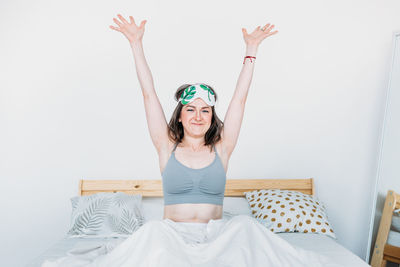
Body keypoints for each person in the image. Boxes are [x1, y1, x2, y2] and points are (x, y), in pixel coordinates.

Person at [109, 14, 278, 225]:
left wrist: (251, 49)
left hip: (215, 238)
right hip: (172, 238)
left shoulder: (223, 146)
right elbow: (148, 94)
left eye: (205, 110)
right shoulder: (166, 145)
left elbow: (239, 100)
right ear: (180, 116)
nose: (198, 116)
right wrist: (136, 44)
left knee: (245, 227)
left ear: (212, 117)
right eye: (190, 110)